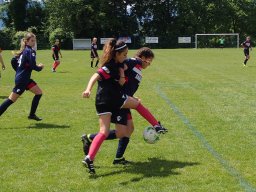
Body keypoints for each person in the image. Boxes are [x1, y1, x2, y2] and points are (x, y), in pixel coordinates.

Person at [81, 39, 167, 174]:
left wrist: (123, 75)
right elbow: (96, 75)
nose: (126, 57)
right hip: (113, 99)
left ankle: (89, 157)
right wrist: (88, 89)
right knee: (137, 105)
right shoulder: (115, 65)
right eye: (124, 54)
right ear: (116, 54)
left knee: (114, 131)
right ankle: (156, 125)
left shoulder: (119, 64)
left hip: (104, 101)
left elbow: (126, 67)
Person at [0, 32, 44, 121]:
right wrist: (40, 67)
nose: (34, 42)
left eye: (34, 41)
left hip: (25, 79)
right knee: (11, 100)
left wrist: (19, 71)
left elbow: (13, 61)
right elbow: (32, 65)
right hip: (22, 80)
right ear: (26, 41)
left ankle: (32, 115)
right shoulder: (30, 51)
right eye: (32, 41)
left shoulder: (24, 50)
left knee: (39, 93)